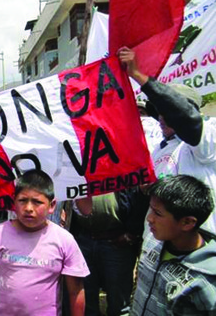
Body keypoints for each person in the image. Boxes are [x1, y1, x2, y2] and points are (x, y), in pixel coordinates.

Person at [119, 46, 216, 234]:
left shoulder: (206, 141)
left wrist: (139, 76)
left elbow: (186, 121)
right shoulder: (158, 149)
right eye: (160, 112)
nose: (162, 118)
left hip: (193, 246)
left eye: (168, 112)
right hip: (156, 245)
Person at [0, 170, 89, 316]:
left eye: (37, 202)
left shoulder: (64, 240)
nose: (29, 208)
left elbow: (75, 290)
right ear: (14, 201)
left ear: (52, 205)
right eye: (22, 200)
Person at [131, 175, 216, 315]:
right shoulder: (151, 242)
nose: (149, 218)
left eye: (158, 213)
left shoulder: (206, 281)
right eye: (151, 209)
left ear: (187, 222)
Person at [71, 191, 147, 316]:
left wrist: (132, 233)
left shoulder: (124, 172)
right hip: (83, 239)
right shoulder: (77, 172)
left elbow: (139, 195)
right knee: (86, 298)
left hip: (117, 242)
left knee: (118, 301)